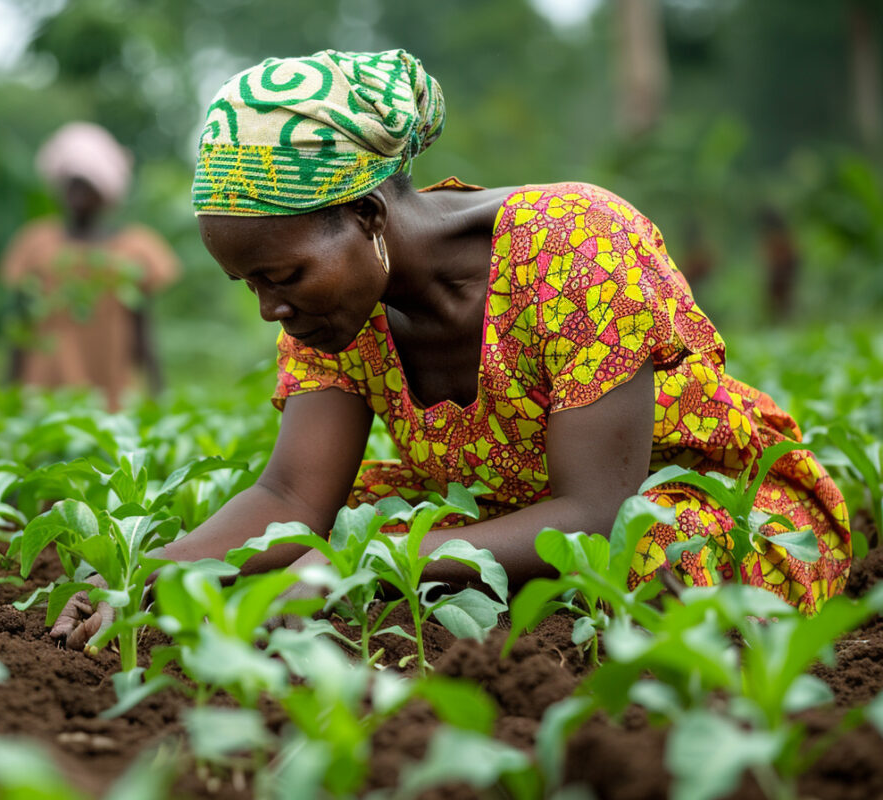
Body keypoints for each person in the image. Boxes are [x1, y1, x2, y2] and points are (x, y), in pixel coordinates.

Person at [52, 49, 850, 648]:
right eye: (249, 285)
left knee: (649, 568)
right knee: (298, 547)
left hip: (686, 505)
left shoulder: (577, 246)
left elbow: (596, 510)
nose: (271, 309)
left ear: (367, 215)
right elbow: (294, 497)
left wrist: (367, 563)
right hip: (490, 517)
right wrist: (151, 578)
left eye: (283, 274)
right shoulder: (332, 315)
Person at [0, 122, 181, 412]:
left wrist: (157, 397)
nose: (77, 193)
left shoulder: (135, 249)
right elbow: (19, 328)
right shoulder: (35, 245)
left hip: (111, 390)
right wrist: (7, 398)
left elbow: (143, 330)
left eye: (86, 185)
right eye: (72, 184)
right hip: (43, 393)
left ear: (105, 190)